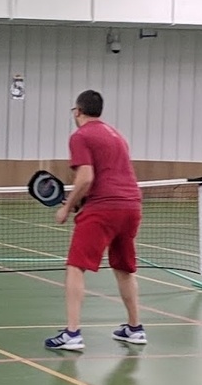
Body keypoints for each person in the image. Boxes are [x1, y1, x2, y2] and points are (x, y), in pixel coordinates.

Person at [45, 90, 145, 351]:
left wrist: (67, 207)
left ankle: (72, 333)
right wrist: (82, 199)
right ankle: (135, 329)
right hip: (132, 206)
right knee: (124, 267)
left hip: (104, 208)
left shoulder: (80, 136)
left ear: (78, 111)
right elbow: (108, 174)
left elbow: (86, 177)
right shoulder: (116, 135)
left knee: (75, 266)